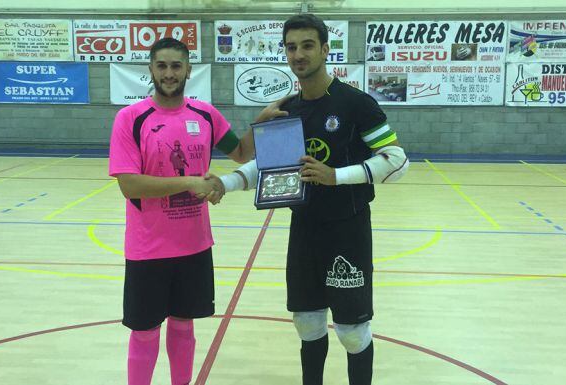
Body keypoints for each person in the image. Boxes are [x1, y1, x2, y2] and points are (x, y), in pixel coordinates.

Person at [217, 14, 409, 385]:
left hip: (348, 229)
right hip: (304, 229)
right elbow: (270, 167)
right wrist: (222, 184)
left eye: (307, 45)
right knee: (306, 322)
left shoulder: (357, 104)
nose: (298, 54)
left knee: (353, 332)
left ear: (325, 49)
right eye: (291, 47)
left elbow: (397, 162)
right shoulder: (288, 108)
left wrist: (335, 176)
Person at [108, 37, 253, 385]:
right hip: (148, 249)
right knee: (144, 331)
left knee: (184, 324)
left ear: (189, 69)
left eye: (176, 66)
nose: (169, 73)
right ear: (151, 70)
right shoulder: (131, 118)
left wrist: (264, 119)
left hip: (194, 245)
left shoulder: (206, 114)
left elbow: (242, 154)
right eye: (162, 66)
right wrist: (188, 183)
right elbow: (129, 185)